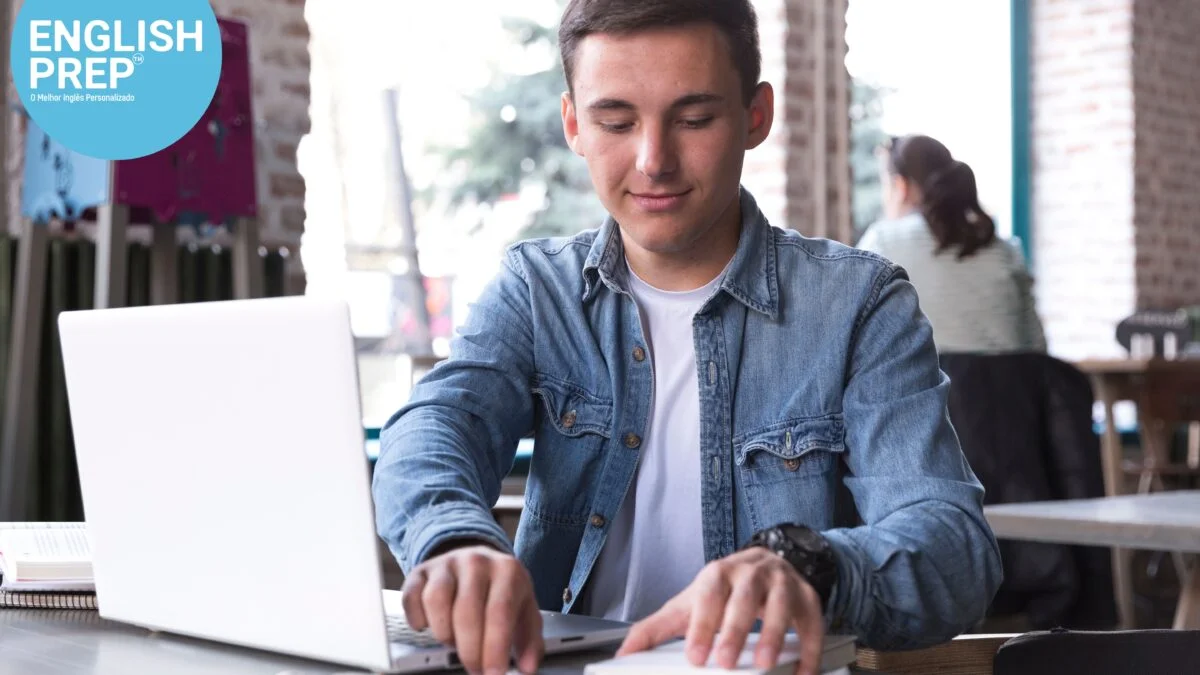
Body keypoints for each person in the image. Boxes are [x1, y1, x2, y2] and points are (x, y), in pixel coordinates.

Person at [372, 2, 1003, 674]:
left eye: (695, 118)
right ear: (573, 124)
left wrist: (811, 564)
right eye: (615, 121)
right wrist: (451, 542)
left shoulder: (859, 305)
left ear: (755, 116)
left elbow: (955, 552)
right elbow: (431, 429)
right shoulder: (537, 289)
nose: (653, 161)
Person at [857, 134, 1047, 353]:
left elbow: (849, 341)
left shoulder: (882, 244)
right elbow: (1036, 348)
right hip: (1013, 385)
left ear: (901, 187)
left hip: (925, 386)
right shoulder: (1006, 251)